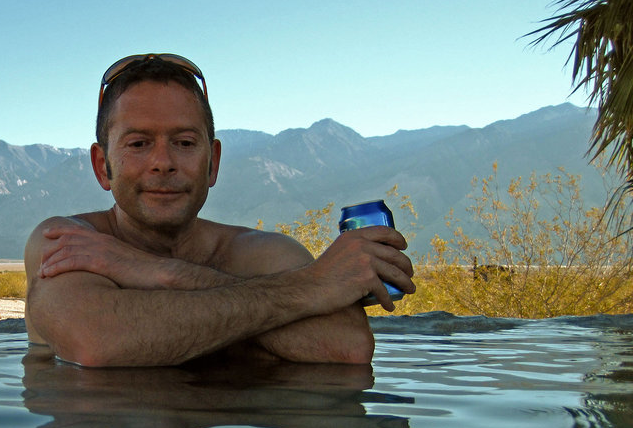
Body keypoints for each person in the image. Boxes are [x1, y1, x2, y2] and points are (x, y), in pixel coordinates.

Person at [24, 53, 415, 367]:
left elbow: (347, 348)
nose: (163, 162)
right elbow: (97, 342)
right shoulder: (69, 241)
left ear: (213, 162)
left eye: (185, 142)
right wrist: (303, 294)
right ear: (101, 166)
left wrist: (153, 272)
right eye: (139, 144)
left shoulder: (260, 252)